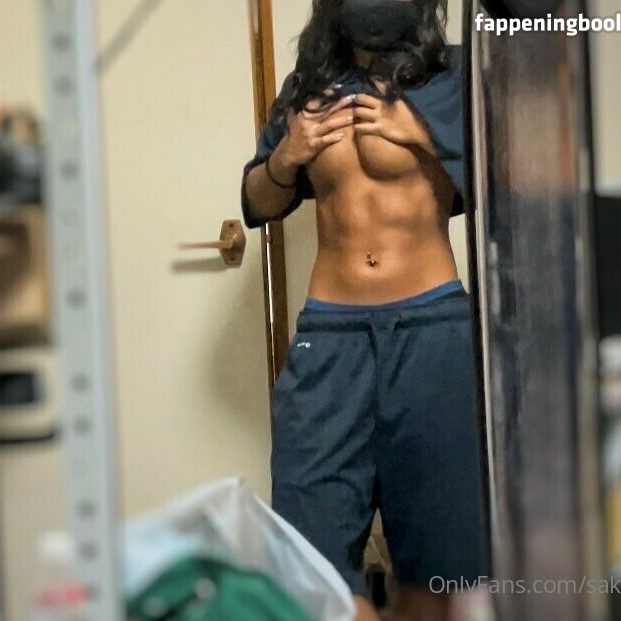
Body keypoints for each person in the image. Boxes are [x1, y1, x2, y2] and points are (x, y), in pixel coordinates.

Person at [240, 1, 488, 620]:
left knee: (440, 572)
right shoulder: (309, 87)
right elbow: (257, 201)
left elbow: (512, 185)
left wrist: (422, 134)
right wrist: (286, 156)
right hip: (331, 335)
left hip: (432, 327)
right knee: (311, 568)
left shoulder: (451, 77)